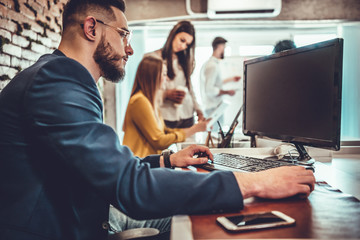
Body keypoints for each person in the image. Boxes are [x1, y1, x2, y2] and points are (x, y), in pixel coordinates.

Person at [0, 0, 316, 240]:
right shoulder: (58, 82)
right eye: (124, 34)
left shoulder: (56, 77)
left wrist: (165, 161)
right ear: (92, 28)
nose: (130, 48)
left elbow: (105, 167)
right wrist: (256, 181)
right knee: (213, 222)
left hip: (85, 208)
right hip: (62, 227)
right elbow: (130, 186)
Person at [123, 56, 208, 157]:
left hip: (148, 161)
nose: (167, 78)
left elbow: (165, 132)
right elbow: (159, 141)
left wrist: (194, 129)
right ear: (152, 76)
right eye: (164, 74)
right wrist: (194, 129)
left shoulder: (151, 101)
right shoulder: (139, 101)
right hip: (139, 162)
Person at [145, 20, 205, 129]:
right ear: (173, 35)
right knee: (163, 145)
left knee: (189, 146)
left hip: (187, 114)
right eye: (182, 40)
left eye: (187, 45)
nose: (183, 46)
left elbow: (189, 87)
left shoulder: (184, 61)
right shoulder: (151, 59)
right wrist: (166, 94)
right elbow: (145, 91)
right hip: (164, 115)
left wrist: (198, 109)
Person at [200, 36, 241, 128]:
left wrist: (231, 79)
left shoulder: (210, 64)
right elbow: (210, 90)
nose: (224, 51)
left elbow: (214, 83)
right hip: (213, 109)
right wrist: (227, 92)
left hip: (213, 107)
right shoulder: (212, 66)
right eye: (224, 48)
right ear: (220, 47)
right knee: (215, 137)